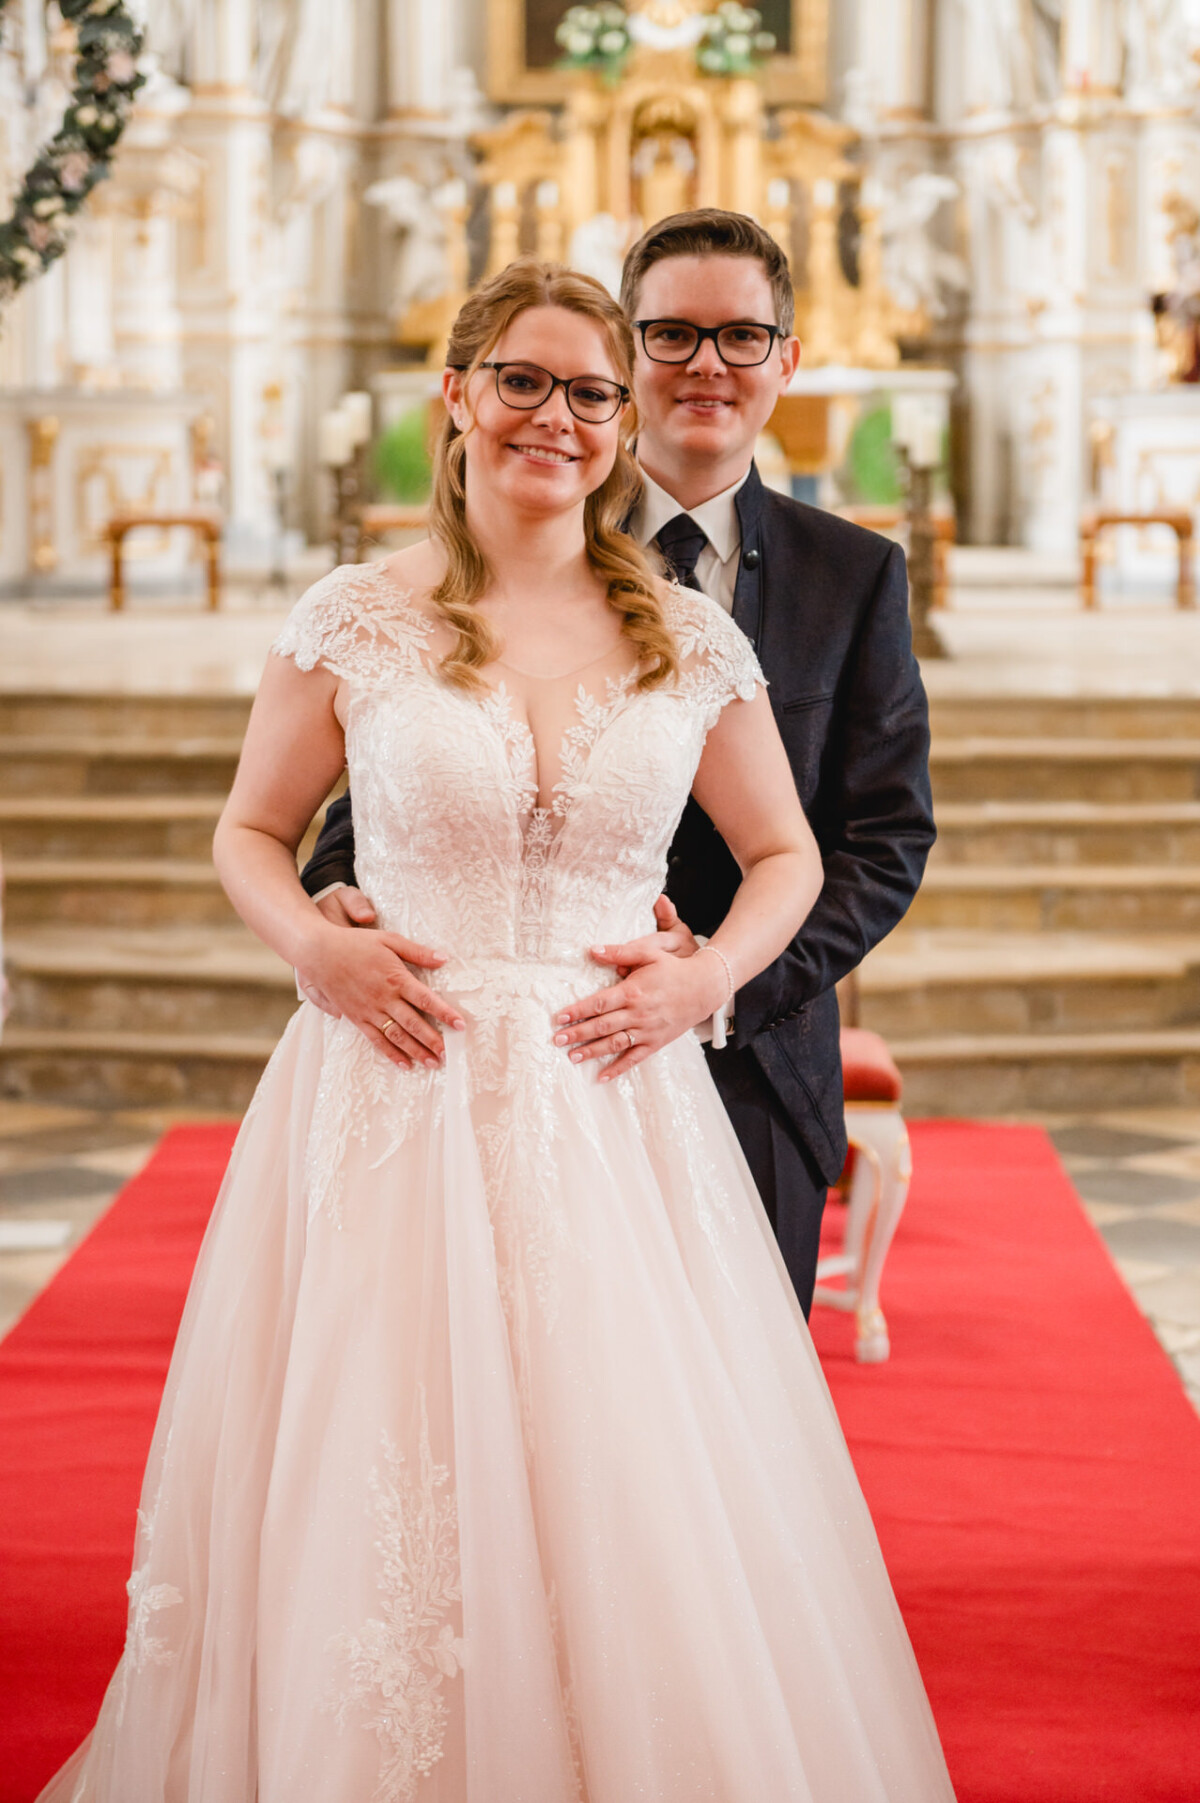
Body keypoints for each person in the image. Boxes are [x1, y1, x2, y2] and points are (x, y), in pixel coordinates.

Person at [37, 262, 954, 1800]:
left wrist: (706, 978)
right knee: (384, 1458)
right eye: (523, 380)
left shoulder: (684, 637)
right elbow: (252, 831)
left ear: (620, 420)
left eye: (590, 391)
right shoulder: (354, 617)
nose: (558, 417)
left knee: (625, 1470)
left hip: (616, 1105)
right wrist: (311, 946)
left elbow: (791, 855)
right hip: (394, 1088)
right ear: (456, 393)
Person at [301, 209, 936, 1315]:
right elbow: (411, 764)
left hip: (752, 1056)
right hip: (468, 1056)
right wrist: (332, 898)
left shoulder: (854, 576)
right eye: (672, 333)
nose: (706, 364)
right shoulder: (504, 540)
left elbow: (883, 839)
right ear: (627, 358)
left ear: (785, 359)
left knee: (714, 1400)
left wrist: (716, 982)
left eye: (741, 336)